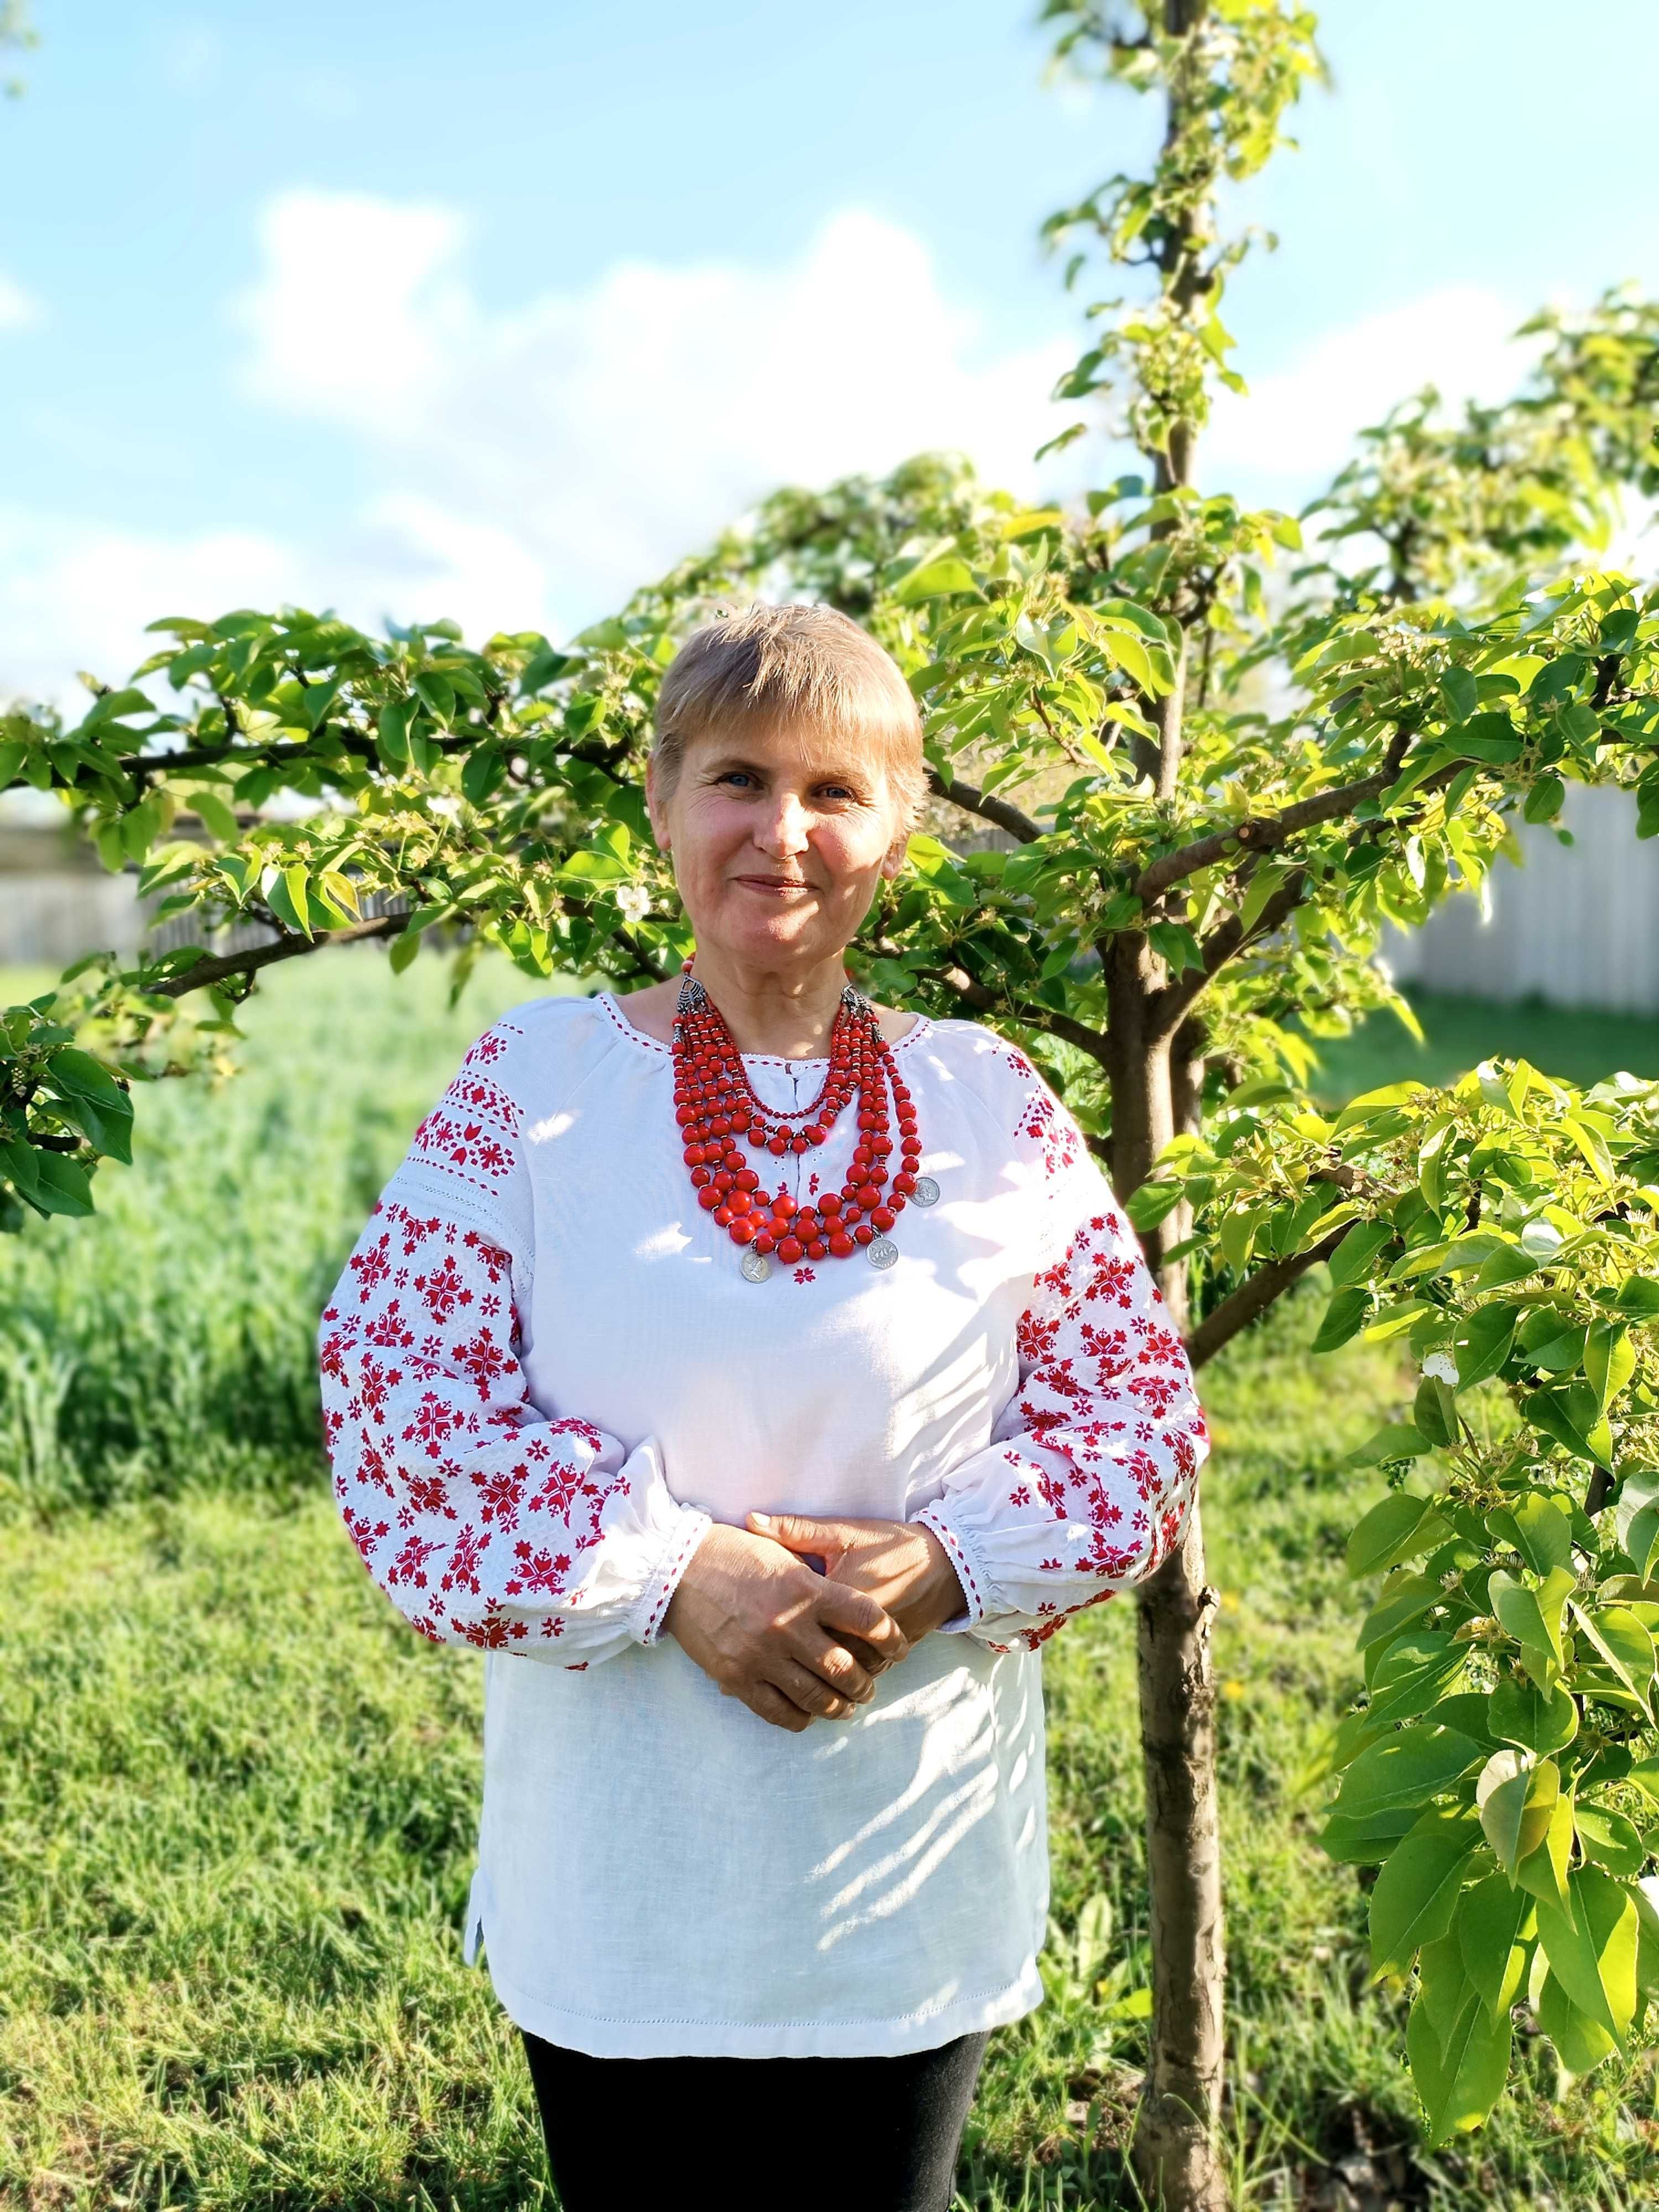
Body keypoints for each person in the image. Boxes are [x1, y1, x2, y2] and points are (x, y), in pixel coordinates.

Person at [317, 602, 1208, 2212]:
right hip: (627, 1871)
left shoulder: (989, 1102)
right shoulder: (532, 1091)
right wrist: (679, 1573)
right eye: (736, 778)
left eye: (833, 791)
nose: (779, 832)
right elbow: (400, 1408)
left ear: (898, 831)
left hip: (902, 1864)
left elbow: (1136, 1416)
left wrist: (944, 1561)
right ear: (660, 803)